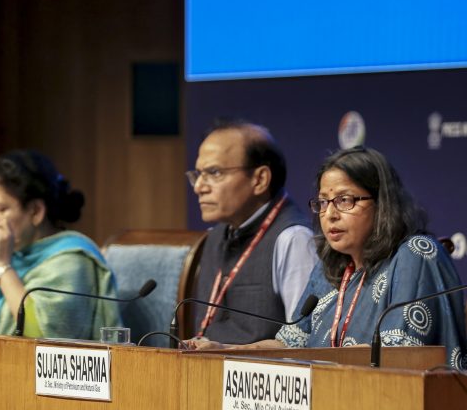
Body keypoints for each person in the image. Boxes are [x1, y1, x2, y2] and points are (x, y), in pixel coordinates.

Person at [192, 147, 467, 368]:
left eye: (345, 200)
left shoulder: (413, 255)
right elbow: (290, 345)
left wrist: (320, 360)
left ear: (382, 203)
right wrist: (225, 349)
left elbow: (398, 356)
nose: (330, 214)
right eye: (323, 202)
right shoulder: (330, 267)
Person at [0, 150, 122, 338]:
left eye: (1, 209)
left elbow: (43, 337)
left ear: (36, 211)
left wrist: (3, 268)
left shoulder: (72, 262)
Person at [188, 120, 316, 343]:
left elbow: (303, 342)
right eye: (198, 174)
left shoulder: (293, 239)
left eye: (214, 172)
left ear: (260, 179)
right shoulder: (216, 236)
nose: (199, 187)